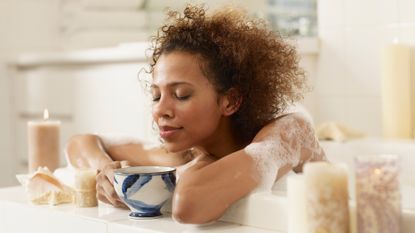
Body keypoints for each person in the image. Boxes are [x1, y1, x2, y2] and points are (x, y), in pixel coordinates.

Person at [65, 5, 326, 224]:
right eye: (156, 95)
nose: (159, 110)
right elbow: (80, 143)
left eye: (181, 95)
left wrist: (203, 164)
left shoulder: (289, 132)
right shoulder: (186, 153)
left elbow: (187, 205)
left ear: (230, 101)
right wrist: (104, 169)